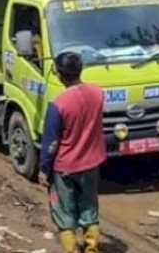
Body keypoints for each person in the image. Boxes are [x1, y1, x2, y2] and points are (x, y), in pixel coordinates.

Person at [39, 52, 106, 253]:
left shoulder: (58, 104)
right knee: (89, 209)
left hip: (65, 168)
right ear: (80, 69)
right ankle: (91, 249)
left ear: (59, 75)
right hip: (91, 163)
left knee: (64, 214)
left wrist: (44, 169)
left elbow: (50, 144)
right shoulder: (97, 93)